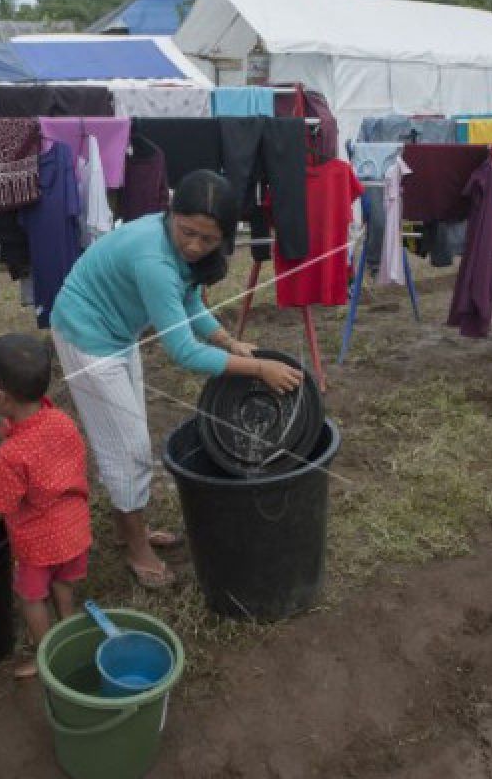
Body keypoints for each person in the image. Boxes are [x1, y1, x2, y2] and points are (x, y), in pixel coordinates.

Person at [49, 170, 302, 589]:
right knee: (128, 448)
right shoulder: (152, 258)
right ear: (171, 214)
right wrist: (259, 368)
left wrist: (225, 339)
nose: (194, 246)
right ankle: (135, 546)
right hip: (87, 336)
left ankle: (128, 525)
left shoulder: (176, 255)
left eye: (208, 240)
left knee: (129, 439)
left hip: (117, 333)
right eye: (187, 233)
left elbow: (187, 298)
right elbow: (182, 351)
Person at [0, 334, 92, 679]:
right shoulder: (63, 421)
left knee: (30, 596)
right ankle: (70, 629)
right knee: (64, 585)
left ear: (0, 396)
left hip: (38, 543)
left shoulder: (10, 455)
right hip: (76, 529)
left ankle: (47, 654)